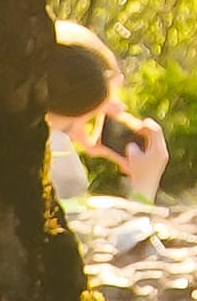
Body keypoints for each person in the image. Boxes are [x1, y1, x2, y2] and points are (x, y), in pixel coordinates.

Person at [44, 22, 166, 207]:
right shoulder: (56, 163)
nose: (80, 139)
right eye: (90, 122)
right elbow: (82, 233)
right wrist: (144, 190)